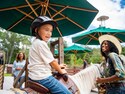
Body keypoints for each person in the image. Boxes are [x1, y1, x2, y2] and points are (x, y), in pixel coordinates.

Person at [28, 16, 71, 94]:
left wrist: (59, 66)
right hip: (42, 77)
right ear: (36, 30)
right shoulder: (41, 43)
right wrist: (62, 72)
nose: (49, 33)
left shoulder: (35, 42)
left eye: (51, 31)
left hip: (34, 76)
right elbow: (53, 62)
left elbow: (43, 63)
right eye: (46, 30)